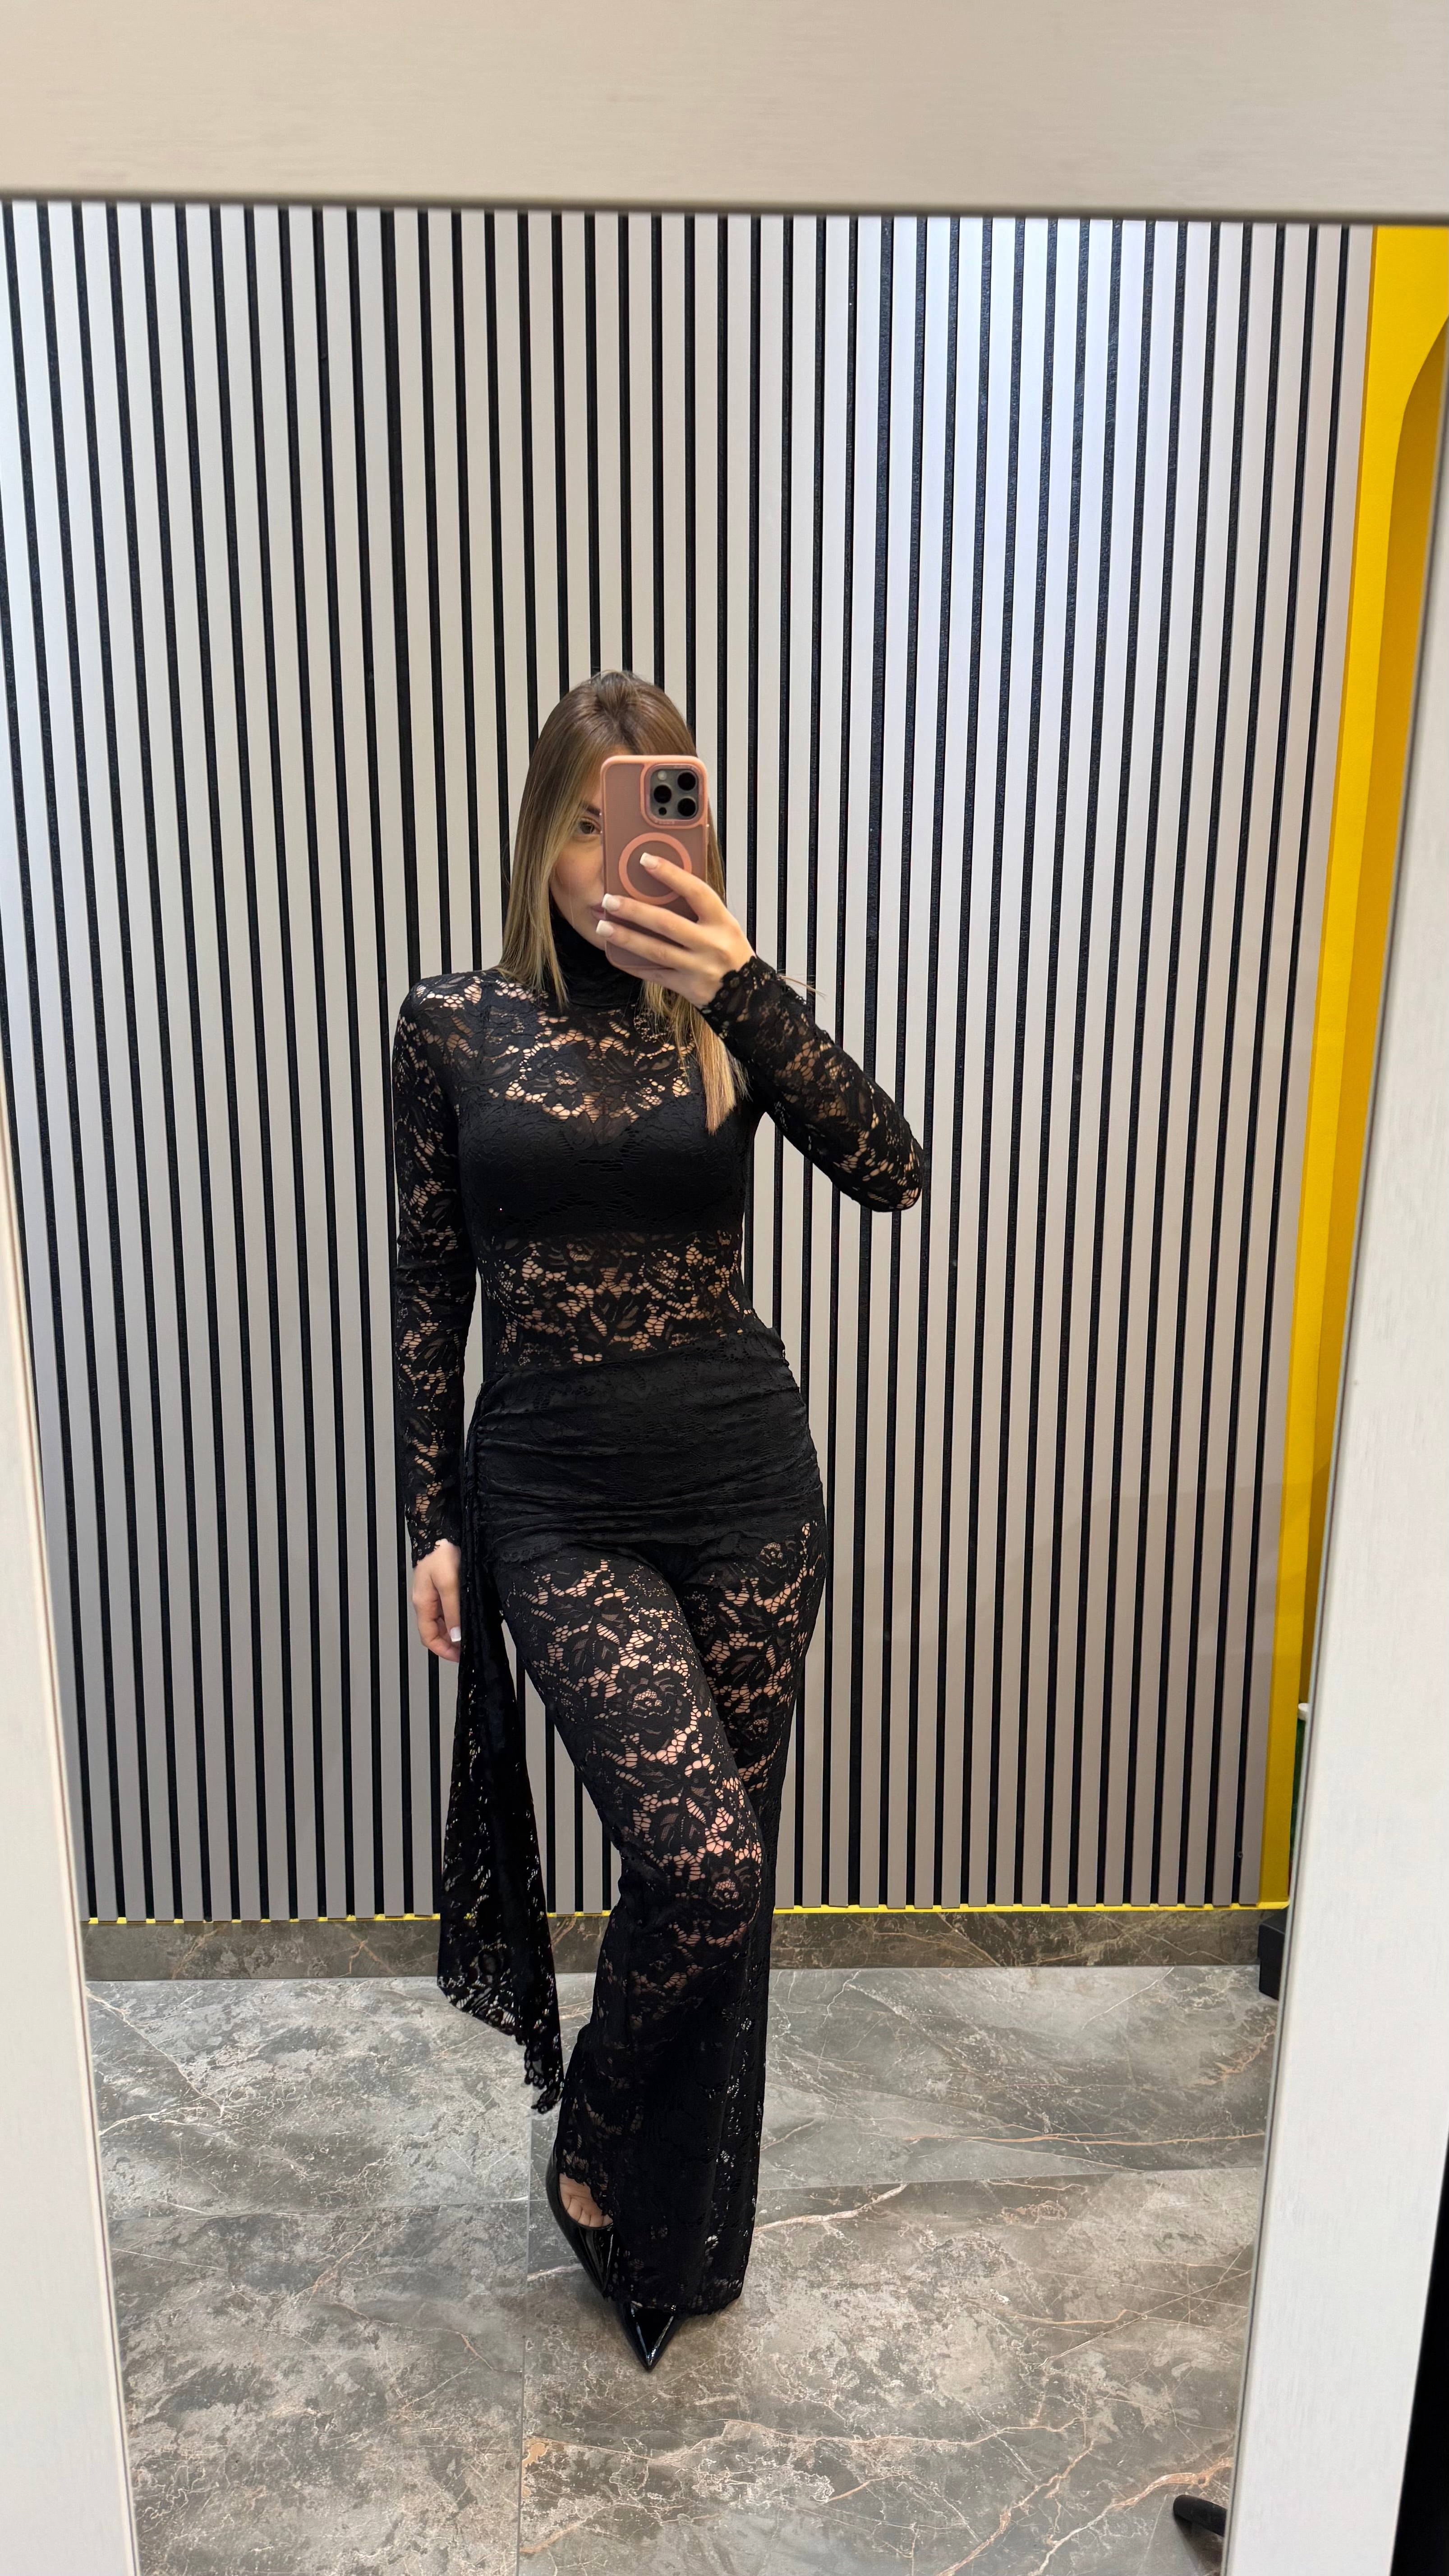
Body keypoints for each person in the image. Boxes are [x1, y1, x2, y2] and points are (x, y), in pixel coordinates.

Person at [391, 672, 924, 2370]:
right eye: (583, 826)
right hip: (553, 1496)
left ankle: (682, 2239)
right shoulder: (451, 1024)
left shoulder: (721, 1014)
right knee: (702, 1860)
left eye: (646, 820)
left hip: (746, 1486)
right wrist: (430, 1517)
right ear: (543, 834)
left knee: (721, 1896)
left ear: (687, 829)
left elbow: (893, 1167)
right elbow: (429, 1287)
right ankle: (597, 2150)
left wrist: (742, 983)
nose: (610, 862)